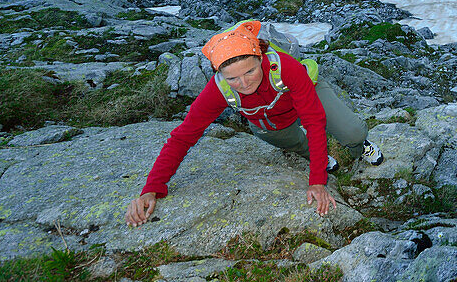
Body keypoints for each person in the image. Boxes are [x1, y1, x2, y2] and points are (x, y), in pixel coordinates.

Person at [125, 20, 383, 227]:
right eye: (233, 78)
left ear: (260, 58)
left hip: (306, 95)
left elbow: (315, 121)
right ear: (221, 75)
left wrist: (317, 180)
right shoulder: (218, 90)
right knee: (284, 138)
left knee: (353, 131)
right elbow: (183, 136)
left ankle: (359, 147)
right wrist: (152, 188)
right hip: (270, 116)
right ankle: (320, 157)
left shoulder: (286, 68)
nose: (244, 83)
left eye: (249, 71)